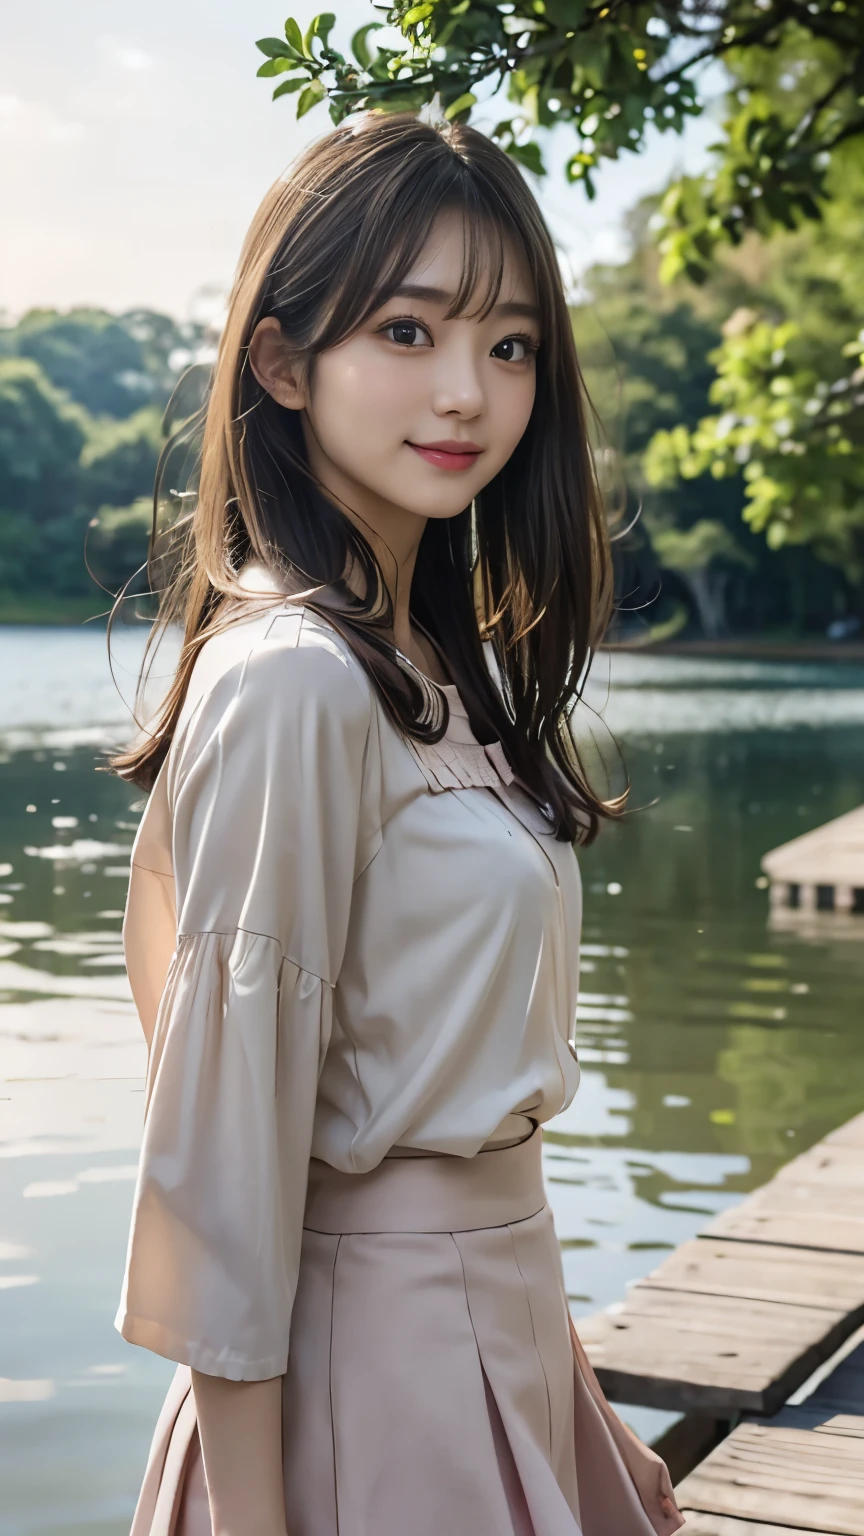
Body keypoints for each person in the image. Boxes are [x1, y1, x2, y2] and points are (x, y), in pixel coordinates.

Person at [113, 111, 684, 1536]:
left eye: (508, 347)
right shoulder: (296, 676)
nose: (469, 395)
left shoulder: (435, 668)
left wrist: (569, 1404)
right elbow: (223, 1178)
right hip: (361, 1390)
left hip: (493, 1344)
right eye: (410, 332)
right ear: (283, 362)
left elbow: (469, 1118)